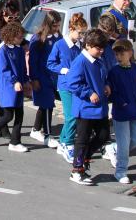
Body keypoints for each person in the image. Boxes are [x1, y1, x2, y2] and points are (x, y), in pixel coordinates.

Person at [66, 28, 111, 185]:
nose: (101, 51)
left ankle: (85, 157)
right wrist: (88, 93)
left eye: (102, 48)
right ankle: (77, 170)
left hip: (99, 107)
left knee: (104, 135)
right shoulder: (80, 62)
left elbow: (103, 75)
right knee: (82, 140)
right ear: (88, 45)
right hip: (85, 108)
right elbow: (71, 83)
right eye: (98, 48)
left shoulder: (98, 59)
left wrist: (106, 85)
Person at [0, 21, 29, 152]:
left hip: (18, 85)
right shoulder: (3, 51)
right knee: (8, 115)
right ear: (11, 36)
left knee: (19, 115)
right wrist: (15, 81)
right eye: (19, 37)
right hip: (8, 87)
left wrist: (25, 80)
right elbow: (3, 69)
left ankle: (15, 142)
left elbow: (22, 68)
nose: (21, 40)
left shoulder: (19, 50)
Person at [106, 39, 136, 184]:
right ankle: (121, 171)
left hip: (135, 110)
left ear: (130, 53)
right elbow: (112, 93)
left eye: (121, 53)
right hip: (121, 112)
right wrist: (122, 103)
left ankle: (113, 148)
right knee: (124, 143)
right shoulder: (114, 71)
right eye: (116, 54)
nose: (118, 57)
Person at [47, 12, 85, 163]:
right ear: (71, 29)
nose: (82, 36)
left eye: (83, 33)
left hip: (77, 85)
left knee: (75, 115)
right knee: (71, 116)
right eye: (80, 32)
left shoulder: (80, 46)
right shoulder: (60, 45)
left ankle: (63, 141)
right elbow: (50, 63)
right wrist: (63, 70)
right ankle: (68, 144)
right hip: (64, 85)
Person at [28, 10, 61, 148]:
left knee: (45, 105)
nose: (56, 29)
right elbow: (33, 61)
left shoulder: (58, 37)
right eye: (54, 26)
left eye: (58, 26)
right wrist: (34, 78)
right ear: (47, 24)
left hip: (54, 77)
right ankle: (48, 135)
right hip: (42, 76)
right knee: (48, 105)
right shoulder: (38, 39)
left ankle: (35, 130)